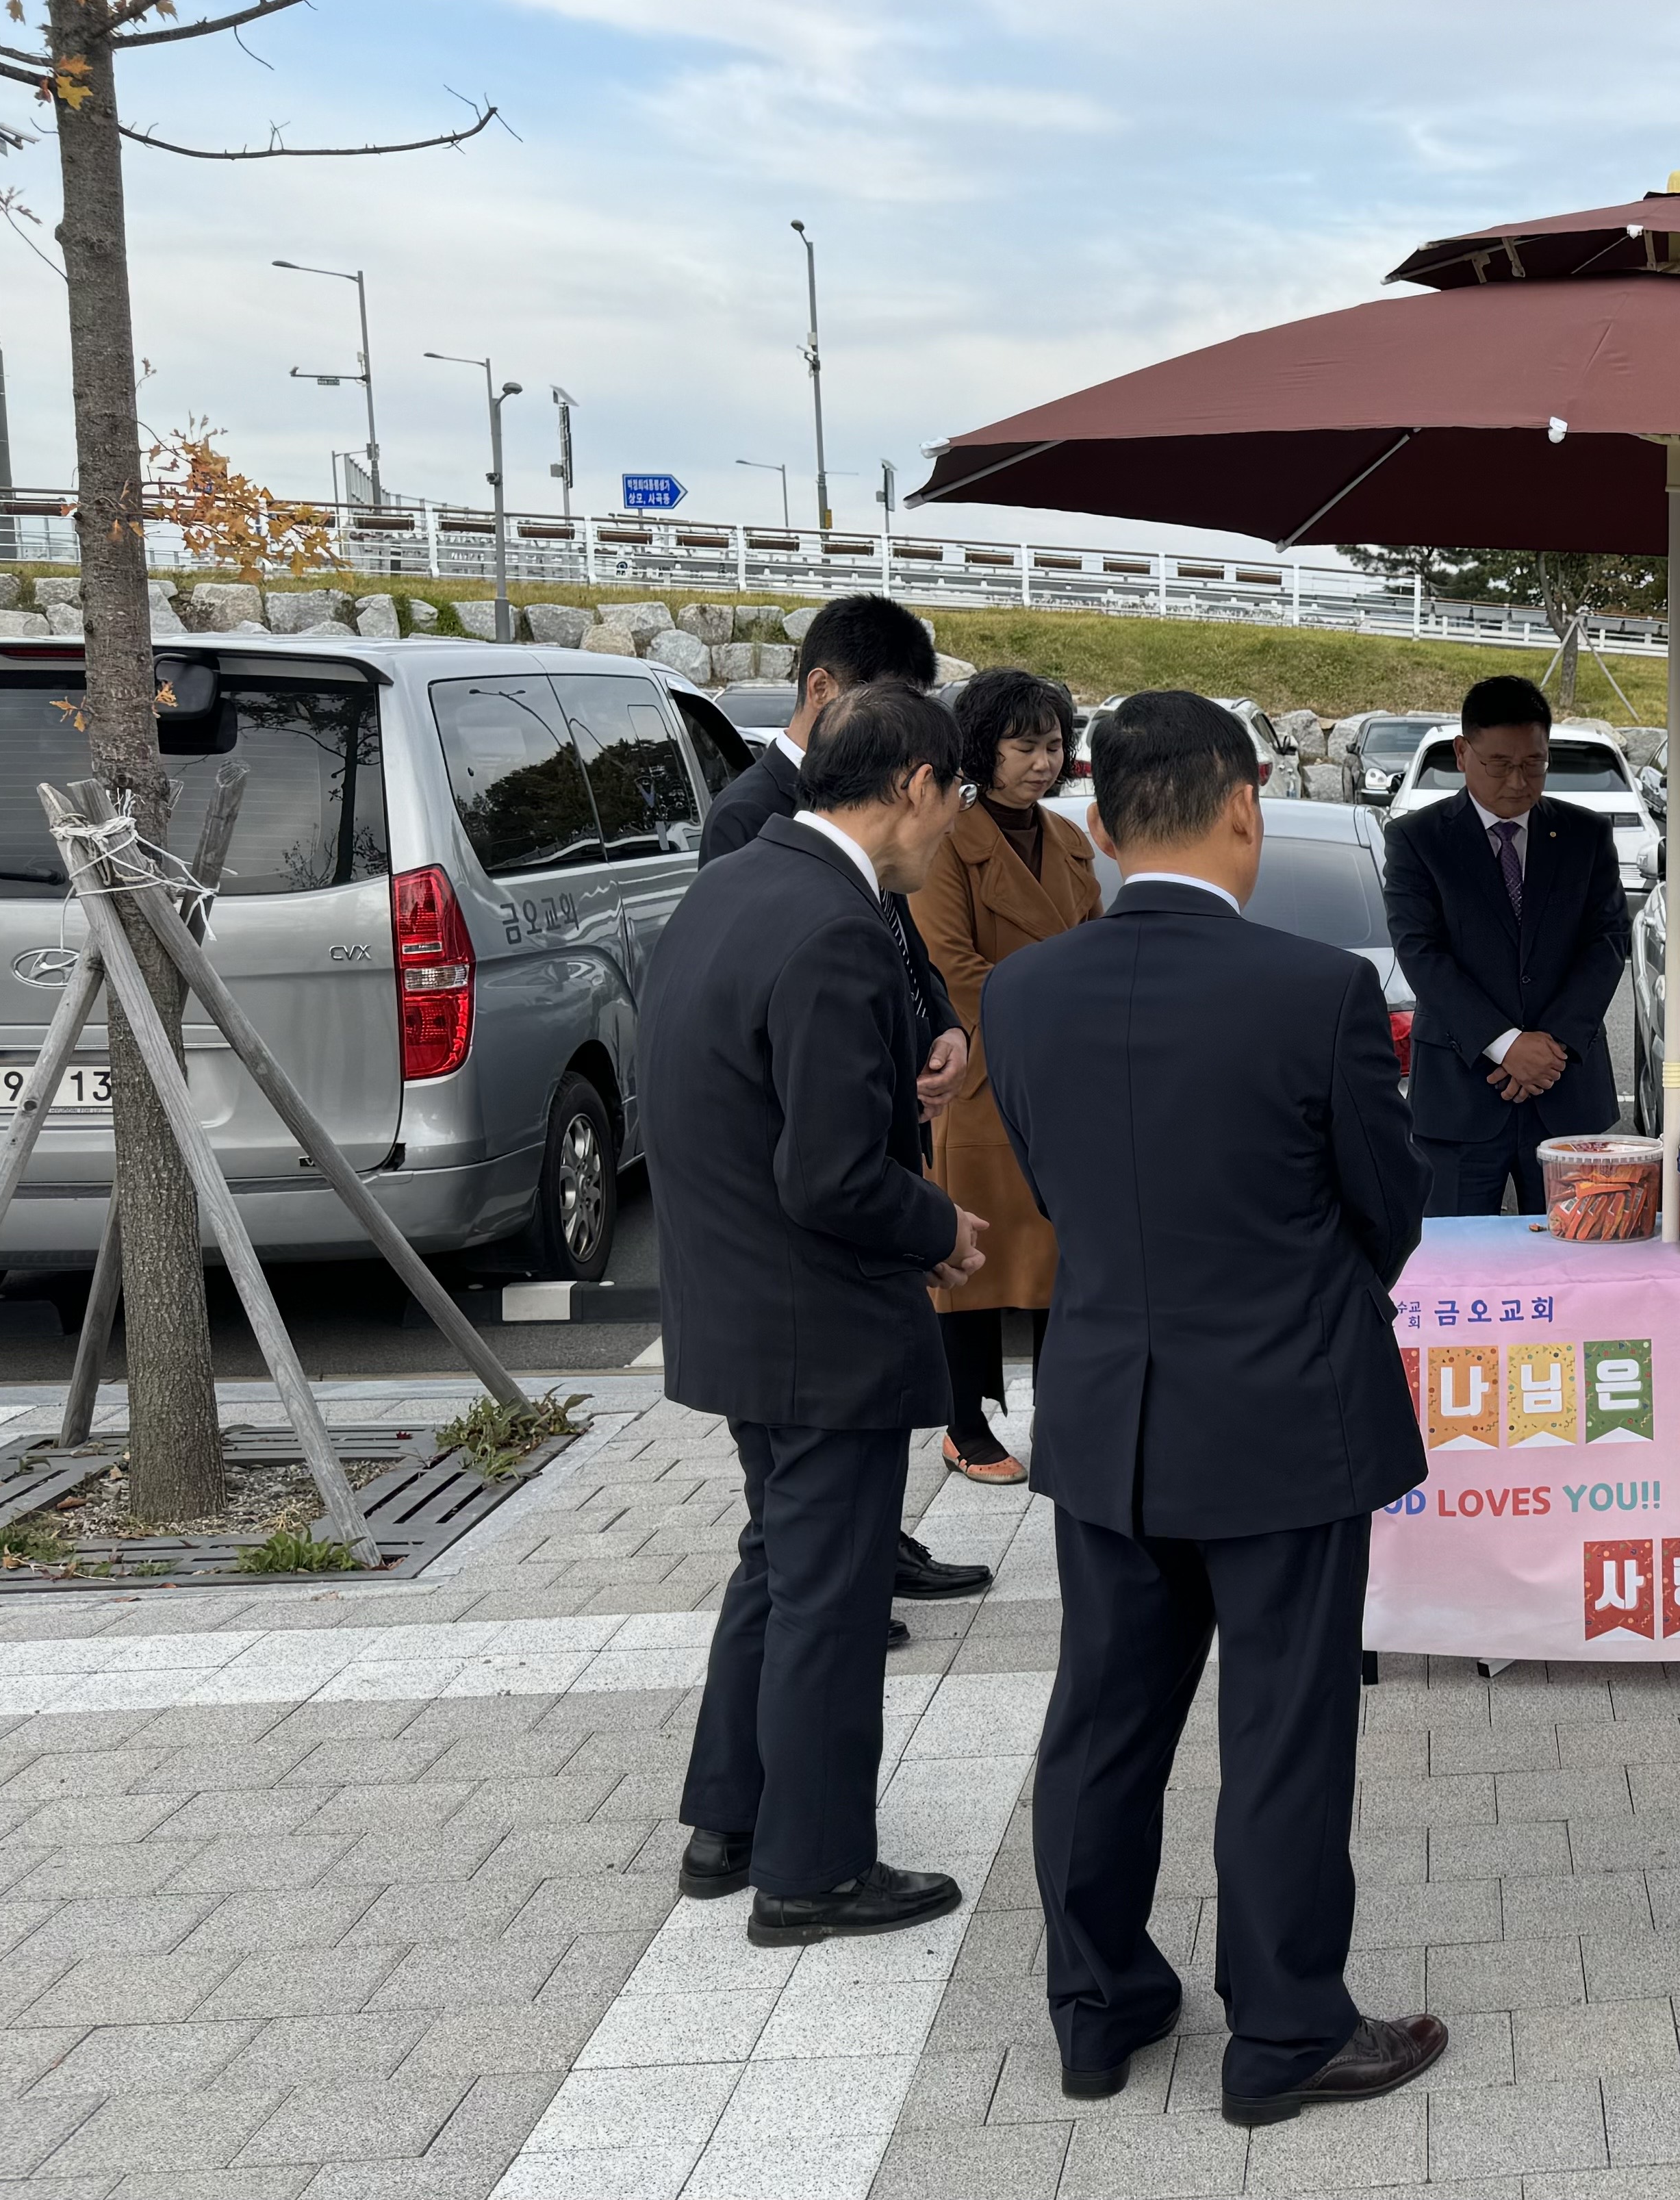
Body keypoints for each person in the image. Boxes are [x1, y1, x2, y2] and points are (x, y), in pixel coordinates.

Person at [980, 692, 1448, 2126]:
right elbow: (1389, 1207)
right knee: (1284, 1725)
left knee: (1103, 1718)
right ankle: (1285, 2030)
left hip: (1108, 1408)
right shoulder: (1315, 990)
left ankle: (1095, 2005)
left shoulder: (1023, 992)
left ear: (1098, 824)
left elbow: (1057, 1189)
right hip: (1287, 1416)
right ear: (1245, 805)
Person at [650, 681, 989, 1944]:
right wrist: (936, 1227)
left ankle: (730, 1820)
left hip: (739, 1299)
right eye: (955, 795)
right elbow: (834, 1175)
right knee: (830, 1595)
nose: (952, 825)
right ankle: (814, 1869)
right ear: (917, 784)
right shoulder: (837, 924)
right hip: (816, 1319)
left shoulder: (739, 882)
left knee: (779, 1565)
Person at [698, 590, 991, 1606]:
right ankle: (855, 1576)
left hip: (817, 1231)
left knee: (786, 1572)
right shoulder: (759, 825)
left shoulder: (843, 851)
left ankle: (862, 1559)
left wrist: (939, 1025)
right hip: (802, 1275)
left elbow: (900, 942)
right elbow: (792, 1079)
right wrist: (929, 1221)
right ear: (825, 691)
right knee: (811, 1579)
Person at [910, 670, 1099, 1485]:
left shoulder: (1070, 841)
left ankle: (1065, 1418)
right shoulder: (948, 840)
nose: (1042, 763)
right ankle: (963, 1425)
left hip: (1066, 1082)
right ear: (984, 748)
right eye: (1025, 746)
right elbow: (950, 966)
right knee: (969, 1263)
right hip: (985, 1079)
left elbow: (1097, 948)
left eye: (1053, 745)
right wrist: (1062, 1015)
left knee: (1063, 1259)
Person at [1384, 675, 1635, 1215]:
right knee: (1457, 1253)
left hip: (1566, 1087)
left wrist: (1552, 1046)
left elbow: (1608, 941)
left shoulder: (1586, 835)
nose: (1519, 781)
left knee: (1576, 1252)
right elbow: (1421, 951)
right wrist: (1506, 1045)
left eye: (1534, 764)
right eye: (1500, 764)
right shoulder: (1418, 840)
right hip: (1460, 1092)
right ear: (1462, 753)